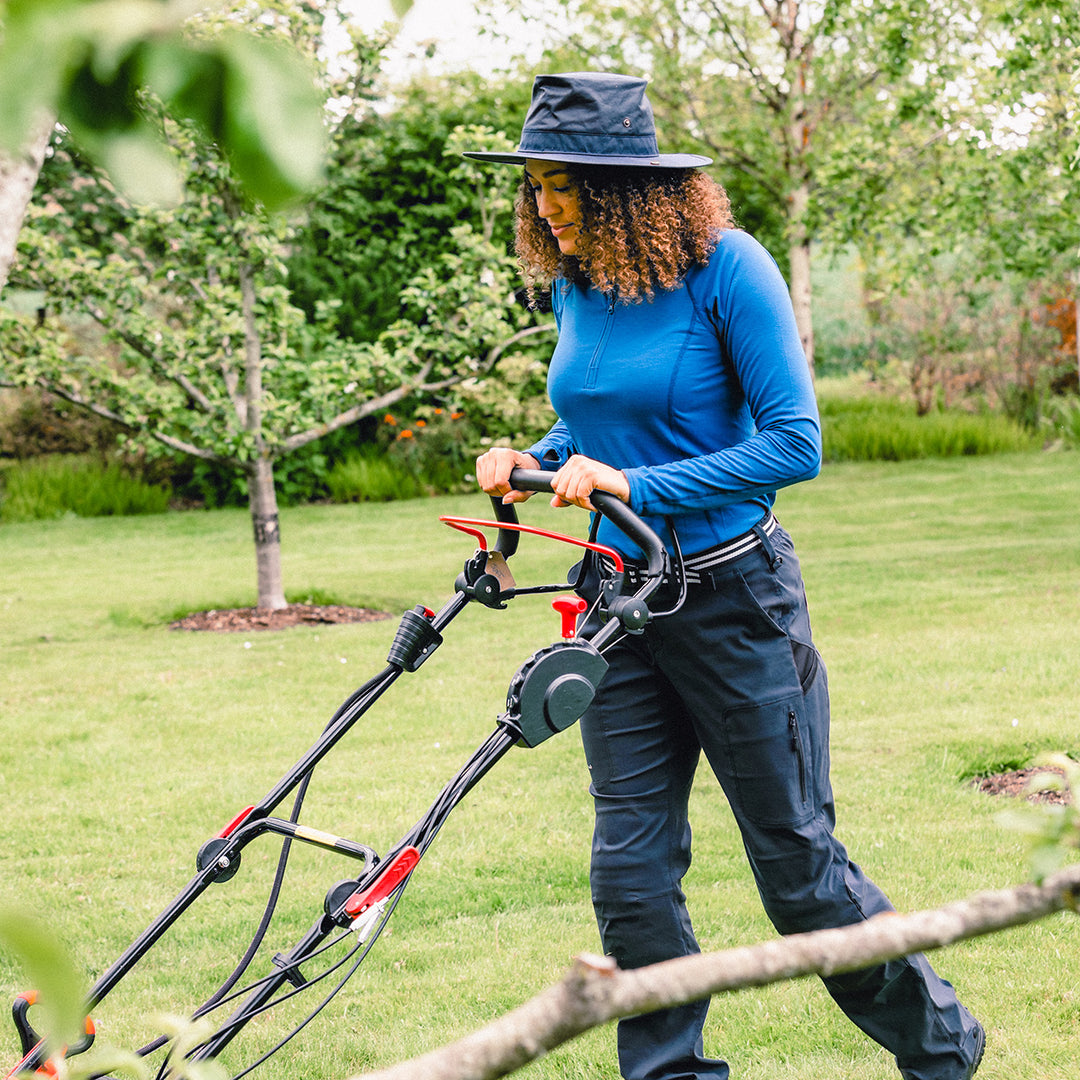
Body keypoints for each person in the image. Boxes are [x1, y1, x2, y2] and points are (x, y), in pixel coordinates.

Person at [466, 71, 984, 1080]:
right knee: (629, 871)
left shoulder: (725, 270)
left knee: (800, 872)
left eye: (565, 186)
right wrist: (531, 459)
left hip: (733, 598)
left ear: (631, 193)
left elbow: (795, 444)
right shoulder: (578, 283)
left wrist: (632, 481)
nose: (545, 207)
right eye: (534, 186)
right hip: (618, 609)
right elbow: (599, 424)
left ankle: (944, 1052)